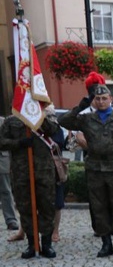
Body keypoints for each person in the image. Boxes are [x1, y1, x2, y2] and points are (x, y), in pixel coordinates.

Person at [59, 82, 113, 257]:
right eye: (98, 99)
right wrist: (82, 105)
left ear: (111, 99)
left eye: (104, 98)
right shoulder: (87, 119)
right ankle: (105, 244)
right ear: (93, 101)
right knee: (99, 207)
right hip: (94, 168)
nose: (101, 102)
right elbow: (63, 121)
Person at [0, 105, 59, 258]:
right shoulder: (11, 120)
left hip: (44, 170)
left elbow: (54, 131)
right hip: (21, 171)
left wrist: (40, 118)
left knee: (47, 206)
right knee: (25, 207)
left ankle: (46, 244)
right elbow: (2, 141)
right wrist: (19, 143)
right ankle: (32, 244)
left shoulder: (45, 117)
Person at [0, 115, 20, 232]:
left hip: (2, 160)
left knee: (6, 191)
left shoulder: (3, 121)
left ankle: (11, 220)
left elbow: (9, 142)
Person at [50, 126, 66, 242]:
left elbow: (59, 144)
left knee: (57, 202)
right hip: (35, 168)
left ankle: (55, 231)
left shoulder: (56, 128)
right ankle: (25, 231)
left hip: (54, 170)